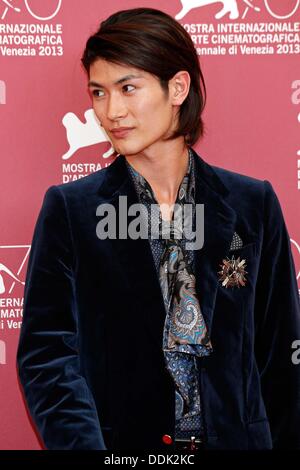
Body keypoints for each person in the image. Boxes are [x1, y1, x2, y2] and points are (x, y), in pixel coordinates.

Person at [17, 7, 300, 451]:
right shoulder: (71, 211)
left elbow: (283, 354)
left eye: (128, 88)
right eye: (98, 92)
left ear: (178, 88)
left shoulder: (252, 203)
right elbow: (47, 360)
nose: (112, 111)